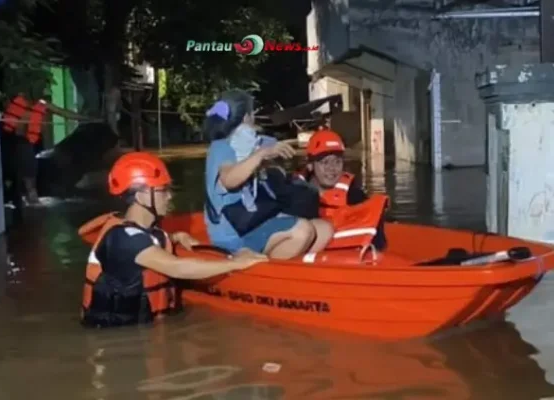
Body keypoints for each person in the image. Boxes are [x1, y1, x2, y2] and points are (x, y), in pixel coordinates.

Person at [80, 151, 266, 328]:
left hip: (146, 326)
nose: (170, 197)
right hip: (117, 337)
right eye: (163, 191)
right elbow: (178, 268)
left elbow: (148, 242)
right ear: (141, 196)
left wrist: (175, 237)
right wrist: (236, 264)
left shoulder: (147, 233)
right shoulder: (124, 239)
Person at [203, 90, 333, 259]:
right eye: (253, 115)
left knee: (324, 229)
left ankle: (291, 268)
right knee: (303, 230)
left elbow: (271, 156)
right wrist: (260, 155)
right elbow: (229, 180)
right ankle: (262, 268)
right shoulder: (220, 147)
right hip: (234, 234)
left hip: (258, 220)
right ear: (245, 118)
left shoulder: (254, 144)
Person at [296, 129, 388, 250]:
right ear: (310, 165)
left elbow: (376, 238)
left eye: (337, 162)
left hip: (343, 259)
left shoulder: (354, 195)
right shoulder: (293, 192)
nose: (332, 168)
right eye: (325, 162)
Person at [1, 91, 94, 205]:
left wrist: (87, 118)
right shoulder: (15, 100)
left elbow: (64, 113)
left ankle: (28, 195)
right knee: (23, 166)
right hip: (10, 142)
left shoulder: (42, 104)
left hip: (27, 145)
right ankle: (26, 194)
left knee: (28, 166)